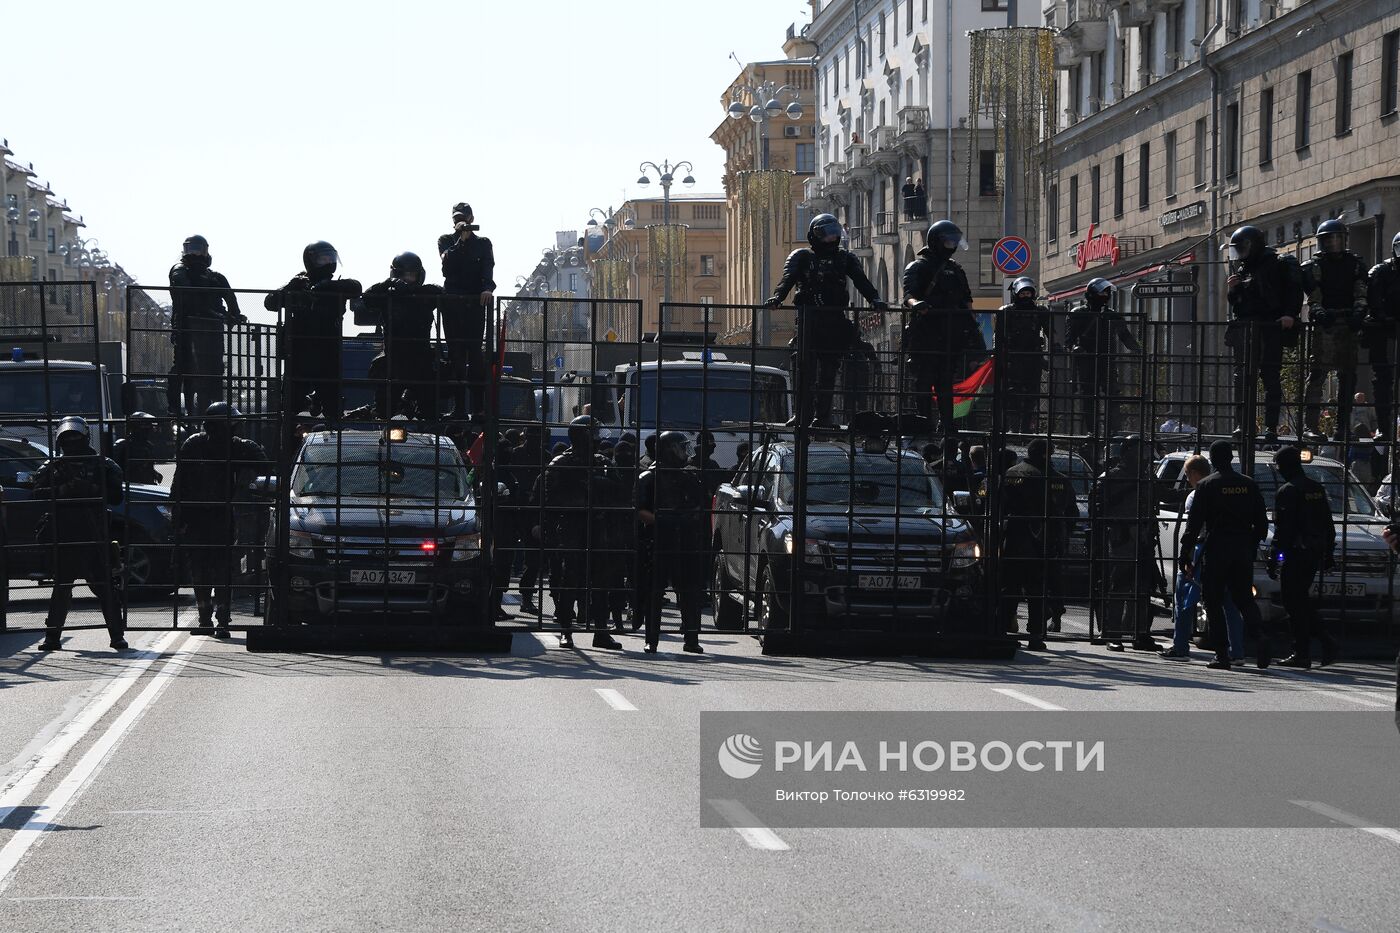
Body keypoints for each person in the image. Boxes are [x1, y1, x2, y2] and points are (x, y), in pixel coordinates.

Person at [766, 213, 887, 428]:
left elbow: (861, 281)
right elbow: (787, 279)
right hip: (809, 321)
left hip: (835, 321)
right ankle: (802, 414)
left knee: (829, 372)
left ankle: (822, 417)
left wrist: (875, 299)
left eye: (834, 234)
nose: (831, 239)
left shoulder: (845, 258)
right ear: (814, 236)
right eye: (826, 234)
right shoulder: (801, 257)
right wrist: (778, 298)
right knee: (805, 370)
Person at [171, 403, 269, 637]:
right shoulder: (195, 444)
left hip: (224, 517)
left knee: (221, 568)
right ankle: (206, 619)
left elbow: (265, 468)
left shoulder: (237, 448)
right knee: (202, 568)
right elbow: (179, 483)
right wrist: (177, 518)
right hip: (198, 517)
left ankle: (221, 619)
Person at [32, 416, 127, 651]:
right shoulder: (54, 466)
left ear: (85, 437)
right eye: (67, 439)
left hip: (94, 532)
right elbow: (37, 494)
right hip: (65, 534)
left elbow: (117, 497)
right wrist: (64, 490)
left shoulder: (103, 465)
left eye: (76, 437)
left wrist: (92, 490)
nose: (72, 442)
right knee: (62, 588)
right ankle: (52, 637)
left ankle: (117, 635)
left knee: (105, 587)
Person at [1178, 440, 1271, 669]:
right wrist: (1249, 544)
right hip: (1241, 549)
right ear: (1231, 458)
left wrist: (1185, 553)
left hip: (1216, 548)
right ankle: (1260, 637)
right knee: (1244, 599)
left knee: (1213, 601)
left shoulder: (1207, 485)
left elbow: (1194, 524)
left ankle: (1221, 654)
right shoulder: (1248, 484)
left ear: (1214, 460)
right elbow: (1261, 523)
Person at [541, 416, 623, 649]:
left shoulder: (602, 462)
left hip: (597, 525)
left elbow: (619, 493)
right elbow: (549, 502)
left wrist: (600, 484)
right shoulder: (560, 463)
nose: (597, 438)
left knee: (601, 581)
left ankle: (600, 631)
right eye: (593, 433)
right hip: (571, 526)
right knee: (570, 579)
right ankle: (567, 631)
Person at [265, 241, 362, 425]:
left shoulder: (338, 286)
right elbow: (270, 302)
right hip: (300, 354)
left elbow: (356, 287)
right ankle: (287, 446)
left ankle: (333, 445)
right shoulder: (299, 285)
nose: (328, 262)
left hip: (328, 353)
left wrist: (327, 287)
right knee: (290, 407)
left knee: (333, 409)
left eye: (330, 258)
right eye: (323, 258)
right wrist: (290, 287)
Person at [1160, 455, 1245, 662]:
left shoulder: (1196, 494)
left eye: (1188, 474)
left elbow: (1193, 527)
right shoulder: (1241, 487)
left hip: (1200, 549)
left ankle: (1180, 646)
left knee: (1185, 599)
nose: (1187, 479)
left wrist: (1185, 555)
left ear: (1195, 474)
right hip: (1231, 550)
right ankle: (1236, 651)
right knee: (1230, 603)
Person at [999, 438, 1079, 650]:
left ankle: (1006, 632)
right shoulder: (1057, 479)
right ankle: (1035, 634)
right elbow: (1071, 513)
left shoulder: (1012, 474)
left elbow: (999, 506)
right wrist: (1060, 535)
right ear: (1047, 454)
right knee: (1037, 591)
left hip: (1014, 540)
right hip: (1044, 542)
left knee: (1011, 589)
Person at [902, 220, 979, 433]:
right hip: (925, 334)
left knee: (946, 382)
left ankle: (947, 424)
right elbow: (908, 295)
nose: (952, 245)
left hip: (950, 334)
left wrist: (972, 329)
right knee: (923, 382)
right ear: (937, 241)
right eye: (949, 241)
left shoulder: (956, 270)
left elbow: (967, 300)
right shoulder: (918, 266)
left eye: (955, 241)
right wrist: (917, 304)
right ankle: (923, 422)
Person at [1226, 225, 1300, 442]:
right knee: (1242, 379)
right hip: (1247, 329)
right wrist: (1233, 290)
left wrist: (1289, 314)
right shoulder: (1243, 270)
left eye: (1242, 249)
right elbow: (1239, 305)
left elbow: (1294, 291)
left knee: (1270, 378)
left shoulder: (1279, 264)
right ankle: (1243, 423)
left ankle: (1270, 427)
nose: (1239, 254)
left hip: (1270, 326)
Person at [636, 431, 708, 654]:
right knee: (654, 592)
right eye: (679, 447)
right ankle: (652, 639)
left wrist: (685, 519)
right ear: (668, 449)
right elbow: (639, 510)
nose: (683, 452)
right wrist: (662, 520)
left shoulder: (688, 477)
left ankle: (692, 638)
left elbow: (699, 507)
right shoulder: (648, 478)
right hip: (657, 541)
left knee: (689, 591)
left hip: (684, 540)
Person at [1089, 435, 1161, 652]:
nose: (1145, 457)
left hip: (1144, 538)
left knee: (1142, 588)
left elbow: (1165, 495)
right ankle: (1113, 634)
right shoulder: (1112, 478)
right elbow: (1097, 509)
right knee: (1119, 587)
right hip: (1122, 538)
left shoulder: (1148, 478)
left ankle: (1139, 634)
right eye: (1141, 452)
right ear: (1128, 453)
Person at [1301, 220, 1369, 442]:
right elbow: (1314, 295)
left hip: (1347, 323)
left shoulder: (1356, 264)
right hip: (1325, 324)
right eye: (1329, 239)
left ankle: (1342, 427)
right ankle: (1311, 426)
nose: (1334, 243)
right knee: (1318, 375)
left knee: (1348, 377)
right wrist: (1320, 312)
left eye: (1337, 238)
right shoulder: (1315, 266)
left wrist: (1359, 312)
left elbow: (1361, 291)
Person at [1271, 445, 1338, 668]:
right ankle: (1321, 642)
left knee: (1293, 602)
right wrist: (1328, 554)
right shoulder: (1316, 488)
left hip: (1296, 552)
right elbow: (1328, 524)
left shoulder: (1288, 491)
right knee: (1300, 600)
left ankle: (1305, 650)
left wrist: (1275, 558)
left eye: (1279, 466)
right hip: (1314, 552)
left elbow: (1283, 531)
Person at [357, 252, 444, 419]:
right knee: (384, 410)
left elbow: (444, 293)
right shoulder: (388, 296)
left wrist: (423, 291)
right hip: (394, 360)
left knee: (430, 410)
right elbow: (367, 298)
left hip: (421, 359)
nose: (409, 278)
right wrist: (387, 284)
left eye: (413, 275)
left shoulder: (425, 295)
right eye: (405, 275)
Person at [168, 235, 245, 419]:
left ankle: (215, 409)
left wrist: (234, 314)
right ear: (185, 250)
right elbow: (188, 295)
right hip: (187, 330)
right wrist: (215, 313)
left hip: (211, 332)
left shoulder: (215, 277)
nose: (196, 254)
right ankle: (176, 408)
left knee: (215, 371)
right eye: (192, 249)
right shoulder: (180, 271)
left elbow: (230, 298)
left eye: (199, 249)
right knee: (181, 369)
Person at [437, 202, 496, 421]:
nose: (458, 222)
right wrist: (460, 242)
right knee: (456, 357)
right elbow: (446, 267)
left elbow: (488, 266)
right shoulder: (446, 241)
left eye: (463, 218)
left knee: (476, 356)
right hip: (453, 305)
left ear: (471, 219)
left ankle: (478, 408)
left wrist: (488, 288)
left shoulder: (483, 243)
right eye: (455, 219)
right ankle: (460, 408)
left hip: (474, 305)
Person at [1065, 278, 1140, 443]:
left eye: (1106, 292)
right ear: (1091, 294)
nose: (1104, 295)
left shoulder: (1112, 314)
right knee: (1088, 397)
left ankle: (1113, 431)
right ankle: (1092, 431)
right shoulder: (1078, 313)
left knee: (1113, 395)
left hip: (1107, 361)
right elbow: (1068, 341)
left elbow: (1125, 335)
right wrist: (1075, 349)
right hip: (1086, 362)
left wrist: (1138, 350)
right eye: (1101, 292)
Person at [999, 277, 1053, 434]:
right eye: (1022, 294)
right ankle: (1013, 429)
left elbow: (1050, 331)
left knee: (1031, 395)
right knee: (1012, 395)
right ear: (1016, 293)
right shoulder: (1007, 311)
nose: (1026, 296)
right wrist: (999, 355)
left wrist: (1056, 347)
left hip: (1033, 358)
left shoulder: (1040, 311)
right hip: (1012, 358)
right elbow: (999, 336)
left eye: (1028, 293)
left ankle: (1026, 429)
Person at [1366, 231, 1400, 440]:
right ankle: (1383, 426)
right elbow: (1373, 298)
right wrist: (1382, 316)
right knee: (1382, 380)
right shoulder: (1382, 271)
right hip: (1383, 331)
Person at [111, 411, 163, 485]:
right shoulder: (123, 445)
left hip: (148, 486)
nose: (149, 431)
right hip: (132, 487)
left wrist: (155, 473)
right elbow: (115, 469)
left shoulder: (148, 446)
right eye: (147, 428)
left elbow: (147, 467)